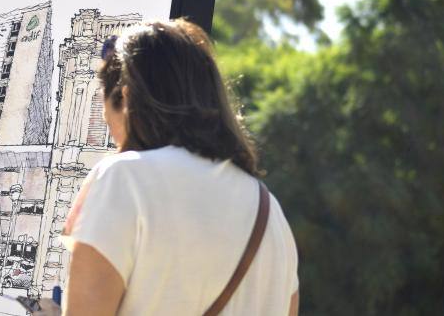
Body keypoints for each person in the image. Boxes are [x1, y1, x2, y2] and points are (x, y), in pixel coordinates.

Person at [37, 19, 299, 316]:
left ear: (125, 99)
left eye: (105, 116)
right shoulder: (271, 212)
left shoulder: (124, 179)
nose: (111, 134)